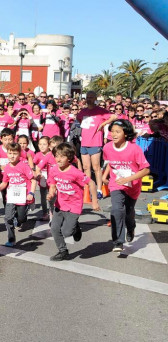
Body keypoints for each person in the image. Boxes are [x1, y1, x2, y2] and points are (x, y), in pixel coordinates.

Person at [102, 120, 150, 252]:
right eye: (112, 131)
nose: (114, 134)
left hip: (133, 186)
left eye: (118, 132)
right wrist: (104, 176)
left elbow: (146, 170)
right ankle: (118, 242)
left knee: (129, 213)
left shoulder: (134, 149)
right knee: (116, 210)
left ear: (126, 133)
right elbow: (110, 163)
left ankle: (131, 227)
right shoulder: (107, 147)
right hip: (116, 184)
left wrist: (127, 179)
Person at [48, 143, 100, 260]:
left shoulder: (75, 172)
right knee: (54, 229)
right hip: (60, 204)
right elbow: (52, 183)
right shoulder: (54, 170)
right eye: (56, 156)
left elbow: (91, 183)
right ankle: (63, 251)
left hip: (74, 205)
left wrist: (94, 202)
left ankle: (75, 227)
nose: (58, 159)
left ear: (70, 158)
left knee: (66, 232)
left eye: (62, 156)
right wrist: (51, 193)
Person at [0, 142, 37, 247]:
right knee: (8, 218)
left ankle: (23, 214)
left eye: (15, 153)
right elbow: (5, 182)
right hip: (11, 196)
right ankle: (11, 239)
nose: (12, 156)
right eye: (10, 153)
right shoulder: (7, 168)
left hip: (23, 196)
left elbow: (33, 181)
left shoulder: (24, 166)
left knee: (22, 219)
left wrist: (31, 193)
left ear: (19, 154)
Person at [77, 91, 116, 199]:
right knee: (86, 167)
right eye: (87, 97)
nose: (89, 99)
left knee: (96, 167)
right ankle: (88, 189)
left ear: (95, 98)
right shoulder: (83, 111)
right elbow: (78, 118)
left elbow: (114, 117)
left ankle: (99, 189)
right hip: (84, 143)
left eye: (91, 97)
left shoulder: (100, 111)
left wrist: (103, 124)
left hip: (95, 142)